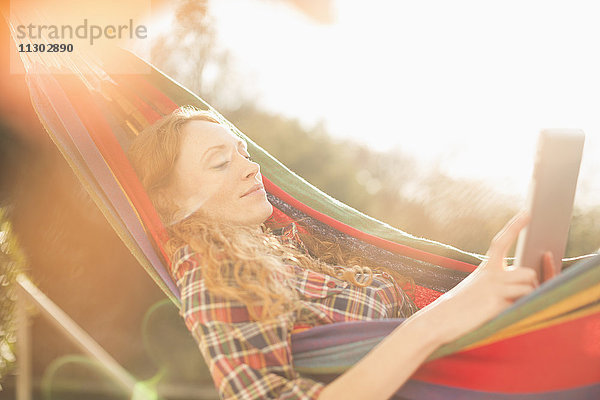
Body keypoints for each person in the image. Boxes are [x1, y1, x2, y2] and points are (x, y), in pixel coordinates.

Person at [127, 106, 558, 400]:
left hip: (465, 358)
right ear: (171, 203)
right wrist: (444, 321)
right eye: (220, 162)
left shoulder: (278, 250)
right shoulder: (210, 270)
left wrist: (481, 280)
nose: (251, 167)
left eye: (244, 152)